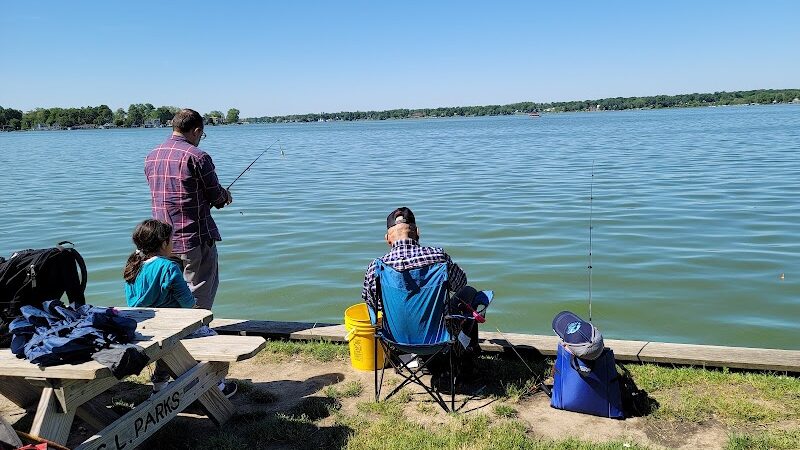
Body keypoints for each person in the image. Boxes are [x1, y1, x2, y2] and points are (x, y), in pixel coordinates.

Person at [361, 207, 482, 380]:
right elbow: (461, 283)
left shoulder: (376, 267)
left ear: (387, 238)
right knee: (470, 293)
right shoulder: (438, 257)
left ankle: (419, 357)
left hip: (394, 338)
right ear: (417, 232)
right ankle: (463, 351)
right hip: (439, 337)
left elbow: (372, 304)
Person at [123, 219, 237, 398]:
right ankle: (218, 385)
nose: (174, 244)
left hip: (146, 329)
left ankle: (159, 386)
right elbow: (187, 304)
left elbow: (132, 302)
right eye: (171, 240)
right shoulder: (169, 267)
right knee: (211, 338)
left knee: (166, 350)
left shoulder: (133, 266)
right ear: (163, 243)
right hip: (172, 327)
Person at [144, 108, 232, 311]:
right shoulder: (198, 157)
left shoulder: (152, 156)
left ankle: (172, 335)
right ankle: (197, 334)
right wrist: (226, 196)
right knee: (198, 291)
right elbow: (216, 197)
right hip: (194, 237)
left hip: (160, 240)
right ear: (196, 130)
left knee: (167, 294)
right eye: (202, 134)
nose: (201, 138)